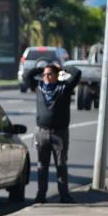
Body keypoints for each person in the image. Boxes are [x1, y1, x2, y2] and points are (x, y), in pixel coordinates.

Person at [26, 63, 82, 204]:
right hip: (42, 133)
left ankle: (64, 195)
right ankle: (41, 195)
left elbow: (77, 73)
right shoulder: (39, 87)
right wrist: (42, 67)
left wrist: (62, 68)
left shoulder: (64, 87)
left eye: (49, 74)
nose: (46, 77)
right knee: (41, 166)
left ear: (57, 76)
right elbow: (27, 76)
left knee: (61, 165)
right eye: (44, 74)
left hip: (59, 133)